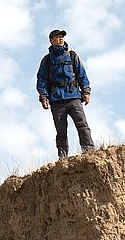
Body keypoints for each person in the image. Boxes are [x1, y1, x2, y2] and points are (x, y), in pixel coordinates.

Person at [36, 29, 95, 158]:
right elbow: (41, 79)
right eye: (57, 37)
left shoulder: (72, 55)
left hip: (73, 97)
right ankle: (63, 158)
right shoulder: (46, 60)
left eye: (62, 37)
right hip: (56, 100)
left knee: (82, 125)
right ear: (51, 40)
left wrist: (86, 91)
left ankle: (89, 152)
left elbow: (82, 74)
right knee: (61, 132)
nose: (61, 39)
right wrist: (43, 97)